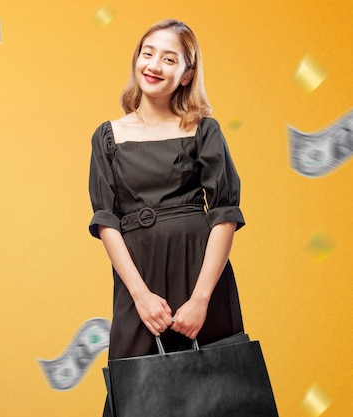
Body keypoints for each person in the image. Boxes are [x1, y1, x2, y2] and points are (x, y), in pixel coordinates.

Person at [87, 19, 245, 416]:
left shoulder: (203, 130)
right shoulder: (107, 136)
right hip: (139, 279)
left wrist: (201, 300)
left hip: (200, 276)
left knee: (215, 396)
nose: (154, 64)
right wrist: (140, 297)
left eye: (169, 58)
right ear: (137, 60)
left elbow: (224, 213)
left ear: (187, 74)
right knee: (135, 398)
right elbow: (106, 221)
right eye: (148, 53)